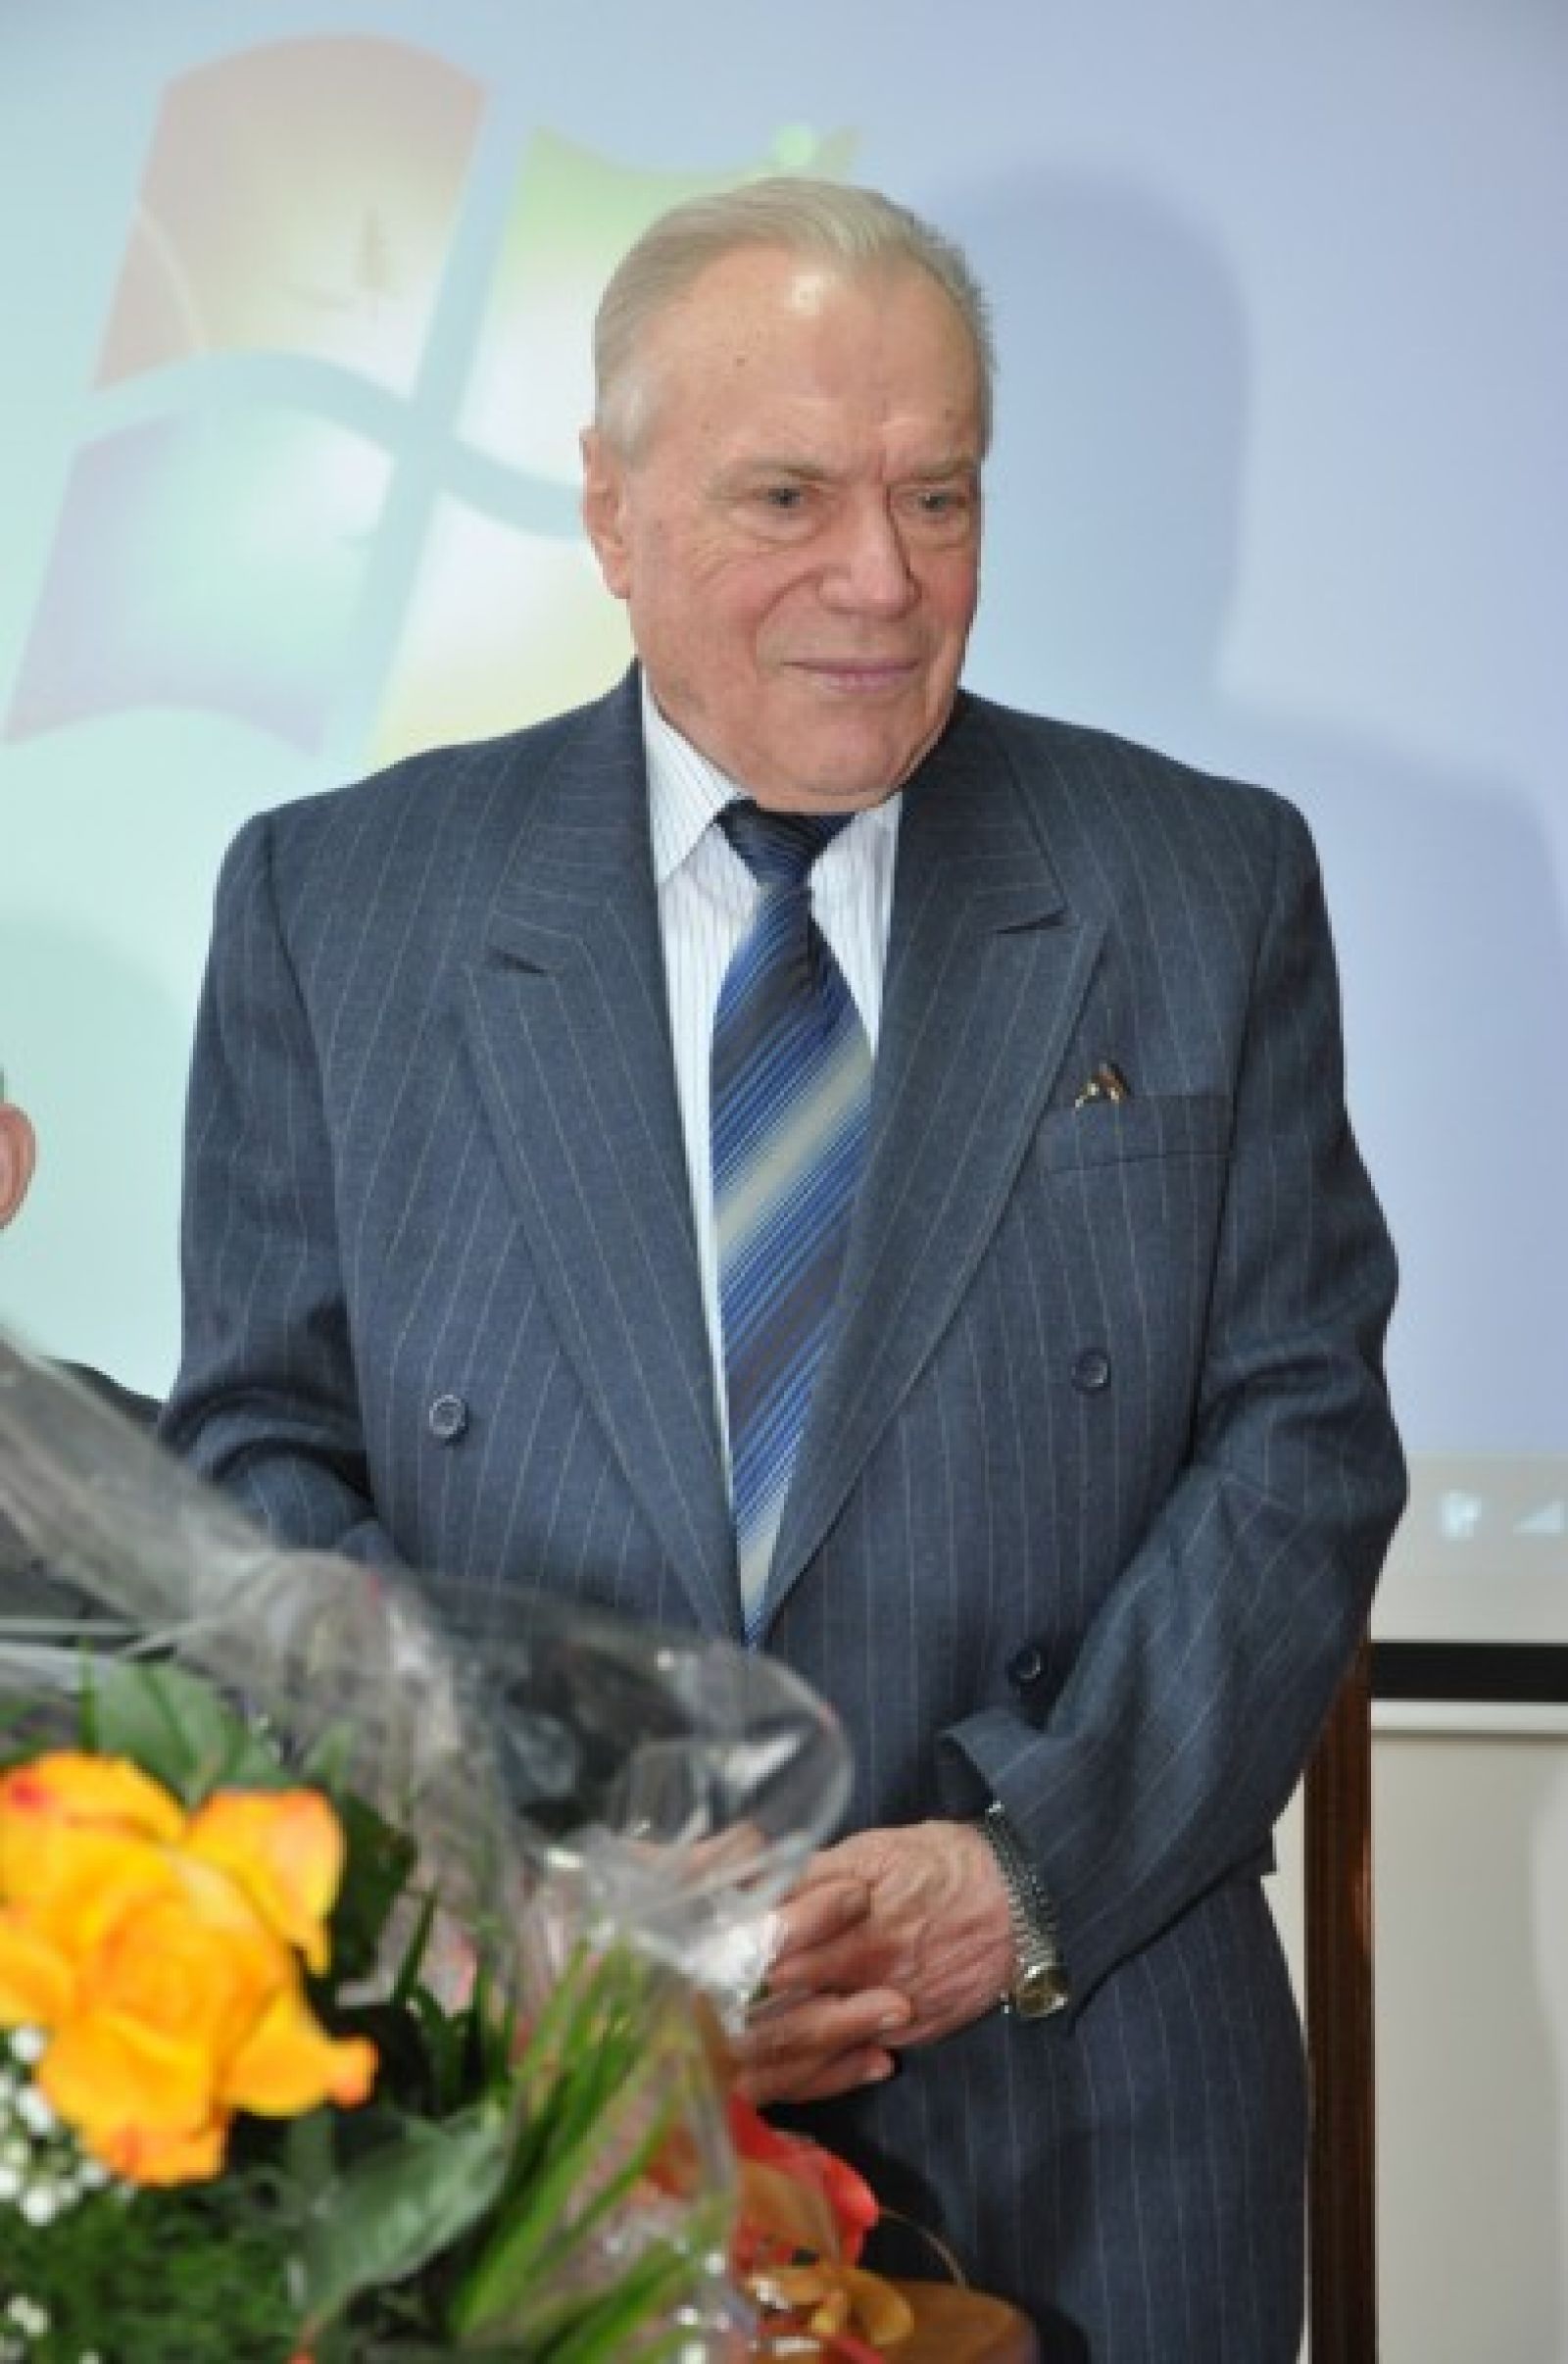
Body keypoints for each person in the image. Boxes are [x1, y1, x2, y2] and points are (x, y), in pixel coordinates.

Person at [161, 180, 1404, 2357]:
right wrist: (557, 1897)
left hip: (1086, 2078)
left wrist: (1020, 1874)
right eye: (787, 497)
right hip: (525, 2114)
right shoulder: (336, 904)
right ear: (610, 510)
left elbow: (1299, 1440)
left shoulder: (1200, 883)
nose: (882, 579)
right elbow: (264, 1463)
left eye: (938, 495)